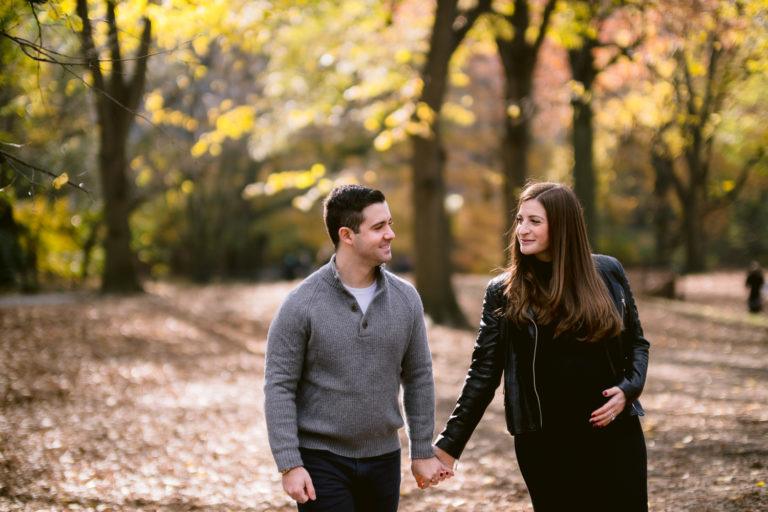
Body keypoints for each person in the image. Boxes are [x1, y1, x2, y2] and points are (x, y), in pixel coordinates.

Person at [433, 182, 650, 511]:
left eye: (535, 221)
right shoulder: (503, 291)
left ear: (562, 226)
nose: (522, 230)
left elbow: (637, 342)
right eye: (520, 220)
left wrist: (628, 389)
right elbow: (483, 373)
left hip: (614, 433)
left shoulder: (607, 272)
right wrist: (449, 445)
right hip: (545, 443)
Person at [264, 184, 451, 511]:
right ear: (347, 235)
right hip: (321, 460)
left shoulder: (406, 300)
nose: (390, 234)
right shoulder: (301, 304)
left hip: (383, 460)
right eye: (379, 227)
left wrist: (421, 450)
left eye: (390, 223)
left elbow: (419, 376)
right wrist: (290, 463)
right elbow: (279, 385)